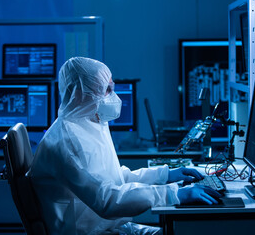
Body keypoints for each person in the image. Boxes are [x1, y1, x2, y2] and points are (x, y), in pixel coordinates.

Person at [28, 57, 222, 235]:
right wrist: (174, 193)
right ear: (79, 93)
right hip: (87, 232)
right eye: (106, 90)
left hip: (108, 227)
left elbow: (115, 178)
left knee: (181, 231)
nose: (113, 97)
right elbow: (106, 200)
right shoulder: (66, 140)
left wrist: (165, 174)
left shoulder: (89, 123)